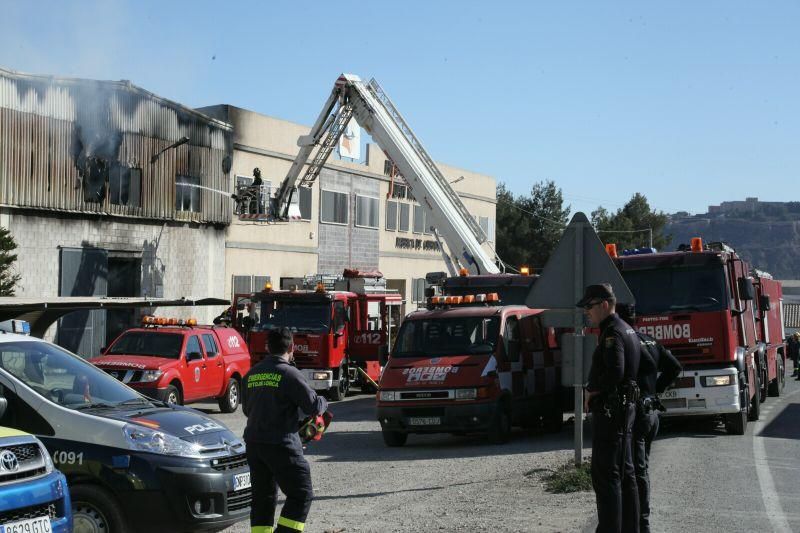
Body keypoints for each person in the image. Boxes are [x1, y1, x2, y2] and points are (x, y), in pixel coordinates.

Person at [242, 327, 328, 533]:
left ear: (267, 347)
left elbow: (247, 409)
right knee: (301, 493)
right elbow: (313, 407)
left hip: (255, 445)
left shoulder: (251, 374)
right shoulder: (290, 373)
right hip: (281, 444)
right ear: (292, 347)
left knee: (263, 498)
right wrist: (324, 401)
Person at [579, 283, 641, 533]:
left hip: (611, 412)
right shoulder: (628, 330)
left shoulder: (613, 333)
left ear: (605, 305)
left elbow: (616, 371)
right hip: (623, 412)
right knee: (626, 476)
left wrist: (593, 389)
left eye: (590, 306)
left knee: (607, 478)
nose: (587, 312)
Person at [619, 304, 682, 533]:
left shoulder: (626, 344)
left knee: (637, 471)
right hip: (652, 413)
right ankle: (638, 520)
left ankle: (641, 523)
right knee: (640, 468)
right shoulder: (650, 340)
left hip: (637, 415)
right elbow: (675, 367)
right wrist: (655, 391)